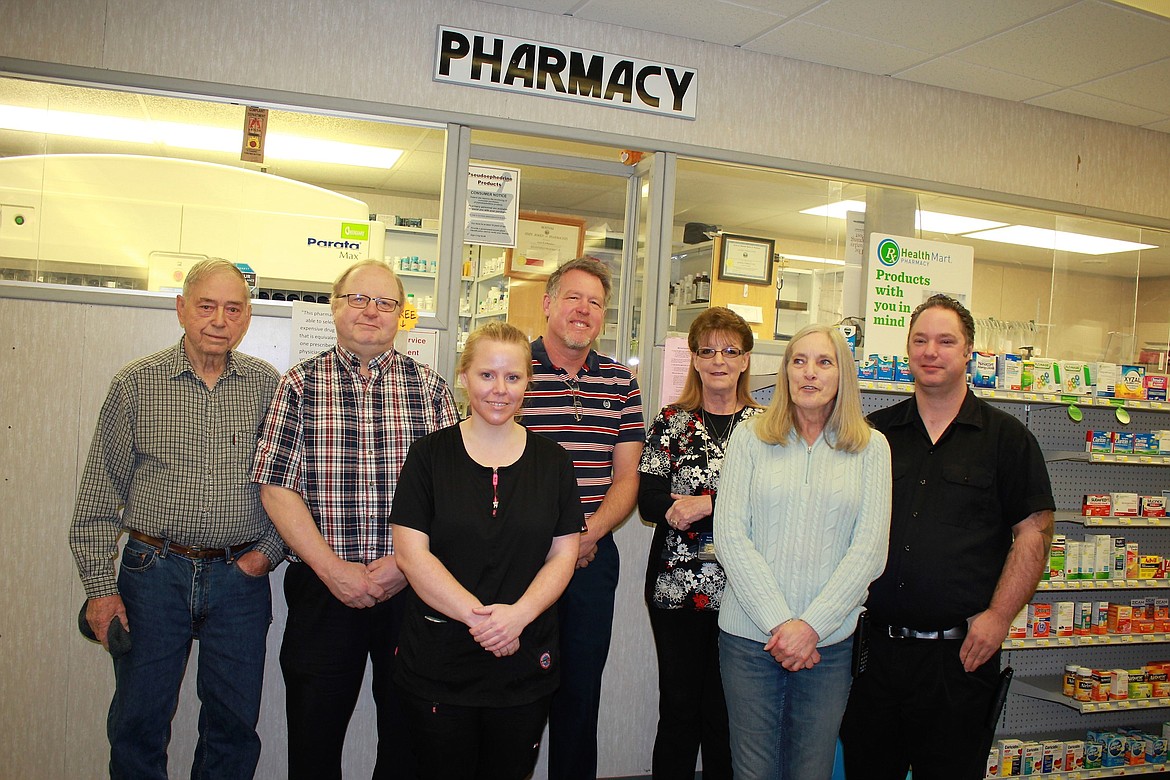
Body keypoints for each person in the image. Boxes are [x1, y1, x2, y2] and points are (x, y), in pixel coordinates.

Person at [68, 258, 281, 779]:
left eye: (233, 309)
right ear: (181, 309)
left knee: (233, 726)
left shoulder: (268, 386)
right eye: (206, 306)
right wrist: (100, 588)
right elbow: (98, 496)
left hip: (239, 580)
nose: (219, 320)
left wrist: (265, 555)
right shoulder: (136, 384)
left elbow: (291, 486)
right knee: (139, 721)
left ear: (248, 317)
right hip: (151, 575)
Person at [251, 259, 459, 780]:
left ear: (402, 316)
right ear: (335, 307)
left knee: (409, 735)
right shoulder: (298, 385)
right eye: (358, 299)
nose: (371, 311)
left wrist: (401, 565)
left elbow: (454, 496)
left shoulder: (431, 391)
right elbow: (276, 486)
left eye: (386, 302)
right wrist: (332, 569)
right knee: (313, 734)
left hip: (413, 590)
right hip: (323, 588)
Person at [840, 294, 1055, 780]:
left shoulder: (1007, 439)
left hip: (959, 658)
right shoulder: (876, 435)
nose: (930, 351)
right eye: (920, 340)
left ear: (969, 353)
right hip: (874, 656)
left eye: (945, 341)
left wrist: (1000, 617)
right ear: (908, 349)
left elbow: (1034, 534)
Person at [390, 322, 583, 780]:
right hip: (441, 660)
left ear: (527, 384)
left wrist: (516, 618)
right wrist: (484, 621)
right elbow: (411, 555)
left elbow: (563, 555)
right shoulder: (428, 456)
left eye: (513, 378)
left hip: (522, 659)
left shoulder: (553, 462)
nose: (500, 390)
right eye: (487, 375)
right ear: (463, 376)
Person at [714, 323, 892, 780]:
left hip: (827, 645)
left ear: (841, 375)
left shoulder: (872, 449)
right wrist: (781, 623)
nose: (809, 372)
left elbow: (869, 551)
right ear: (785, 372)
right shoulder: (750, 439)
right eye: (799, 361)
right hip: (750, 638)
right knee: (752, 771)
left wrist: (810, 627)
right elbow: (731, 537)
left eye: (823, 362)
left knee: (810, 770)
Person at [520, 256, 645, 780]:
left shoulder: (621, 382)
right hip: (522, 559)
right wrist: (558, 541)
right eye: (573, 298)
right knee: (515, 692)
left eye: (596, 303)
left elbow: (627, 479)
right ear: (548, 304)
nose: (584, 310)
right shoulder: (512, 367)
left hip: (593, 558)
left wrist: (584, 535)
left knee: (580, 694)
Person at [637, 307, 763, 780]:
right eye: (707, 350)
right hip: (676, 592)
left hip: (744, 594)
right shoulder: (672, 421)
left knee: (725, 714)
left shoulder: (766, 428)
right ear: (692, 357)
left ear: (746, 360)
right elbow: (650, 500)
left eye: (730, 351)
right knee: (679, 709)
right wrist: (682, 504)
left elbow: (771, 505)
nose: (718, 360)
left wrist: (705, 503)